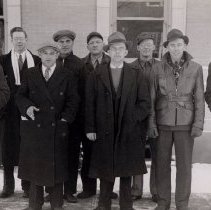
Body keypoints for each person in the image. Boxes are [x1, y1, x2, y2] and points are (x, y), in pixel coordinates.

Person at [86, 31, 150, 210]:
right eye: (113, 49)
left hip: (128, 129)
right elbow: (89, 103)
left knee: (126, 169)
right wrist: (90, 128)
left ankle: (126, 205)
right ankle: (103, 204)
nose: (117, 52)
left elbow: (144, 104)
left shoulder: (136, 74)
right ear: (108, 51)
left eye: (121, 49)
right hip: (104, 127)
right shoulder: (97, 74)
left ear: (126, 52)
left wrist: (132, 120)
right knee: (105, 168)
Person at [16, 42, 79, 210]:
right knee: (36, 168)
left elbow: (74, 100)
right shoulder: (30, 73)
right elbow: (20, 96)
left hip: (57, 128)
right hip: (35, 128)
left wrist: (65, 119)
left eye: (52, 53)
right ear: (40, 55)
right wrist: (27, 107)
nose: (49, 56)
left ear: (57, 55)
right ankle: (35, 204)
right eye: (45, 53)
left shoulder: (67, 74)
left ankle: (56, 204)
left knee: (56, 168)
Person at [148, 29, 205, 210]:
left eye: (179, 44)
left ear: (185, 45)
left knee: (185, 167)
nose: (176, 48)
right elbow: (151, 98)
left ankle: (182, 204)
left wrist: (198, 124)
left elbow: (199, 99)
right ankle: (163, 202)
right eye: (172, 45)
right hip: (163, 122)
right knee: (161, 166)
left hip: (186, 124)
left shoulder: (195, 68)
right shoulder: (156, 68)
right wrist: (151, 123)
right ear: (167, 47)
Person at [0, 27, 40, 198]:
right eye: (15, 38)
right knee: (7, 147)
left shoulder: (36, 60)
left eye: (21, 38)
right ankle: (8, 186)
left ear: (26, 39)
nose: (19, 41)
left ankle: (27, 186)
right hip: (8, 110)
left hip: (29, 107)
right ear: (11, 40)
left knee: (28, 146)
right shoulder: (3, 60)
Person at [78, 31, 117, 200]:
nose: (95, 45)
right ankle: (88, 188)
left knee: (108, 154)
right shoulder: (81, 64)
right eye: (91, 42)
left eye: (98, 42)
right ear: (87, 46)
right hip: (87, 115)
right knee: (88, 153)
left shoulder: (112, 61)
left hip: (108, 116)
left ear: (103, 45)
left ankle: (107, 189)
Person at [50, 29, 84, 203]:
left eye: (67, 41)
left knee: (71, 155)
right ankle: (52, 190)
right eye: (61, 42)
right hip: (52, 119)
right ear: (57, 44)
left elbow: (83, 94)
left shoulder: (79, 64)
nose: (64, 44)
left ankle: (69, 191)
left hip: (73, 120)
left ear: (72, 43)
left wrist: (71, 116)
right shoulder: (50, 62)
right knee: (53, 155)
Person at [131, 32, 159, 202]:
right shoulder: (131, 67)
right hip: (137, 117)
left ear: (154, 47)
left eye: (150, 44)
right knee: (136, 154)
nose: (147, 47)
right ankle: (136, 190)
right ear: (138, 47)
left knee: (158, 154)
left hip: (157, 116)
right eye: (144, 44)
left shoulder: (161, 66)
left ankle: (156, 190)